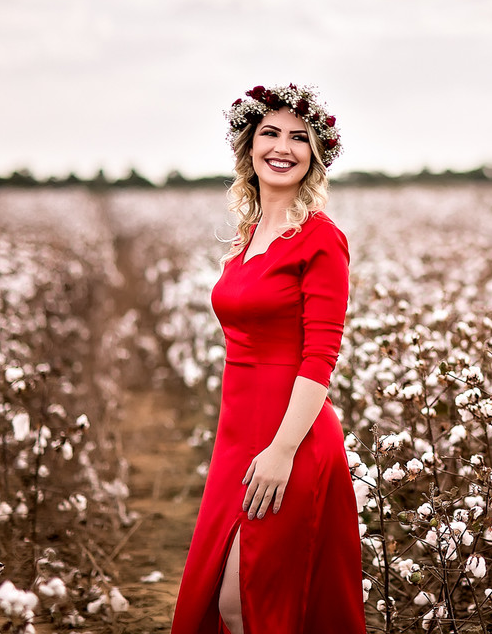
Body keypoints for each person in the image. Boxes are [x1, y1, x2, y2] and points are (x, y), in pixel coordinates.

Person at [170, 84, 366, 634]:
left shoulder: (322, 239)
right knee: (223, 601)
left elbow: (321, 354)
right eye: (270, 133)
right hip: (237, 438)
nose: (283, 147)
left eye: (299, 138)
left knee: (247, 599)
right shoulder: (248, 234)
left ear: (316, 155)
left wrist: (282, 450)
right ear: (249, 148)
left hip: (293, 438)